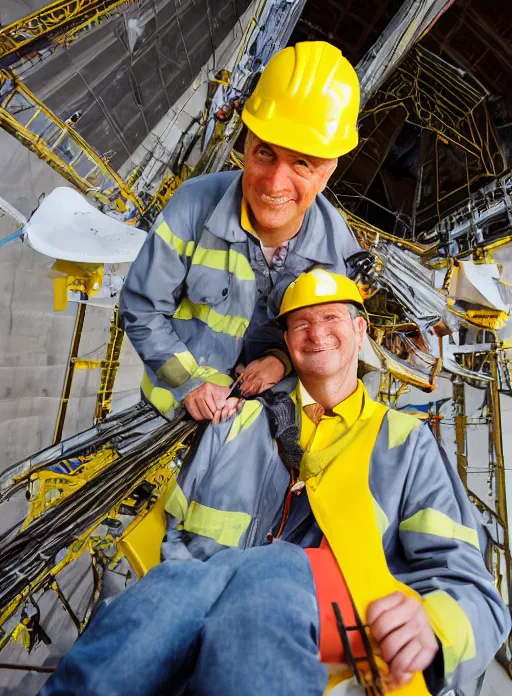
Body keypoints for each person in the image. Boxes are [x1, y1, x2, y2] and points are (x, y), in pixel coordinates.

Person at [41, 270, 510, 696]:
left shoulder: (405, 444)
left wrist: (435, 627)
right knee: (166, 590)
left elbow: (472, 589)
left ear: (360, 330)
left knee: (271, 573)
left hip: (331, 622)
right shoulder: (238, 416)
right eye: (301, 324)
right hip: (196, 594)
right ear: (286, 339)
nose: (317, 333)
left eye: (331, 318)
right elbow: (180, 522)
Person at [119, 40, 364, 421]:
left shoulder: (338, 257)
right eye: (265, 153)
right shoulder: (193, 207)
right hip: (167, 412)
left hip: (260, 431)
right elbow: (141, 305)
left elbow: (326, 349)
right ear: (247, 142)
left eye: (301, 163)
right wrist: (190, 384)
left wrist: (280, 362)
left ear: (328, 170)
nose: (274, 184)